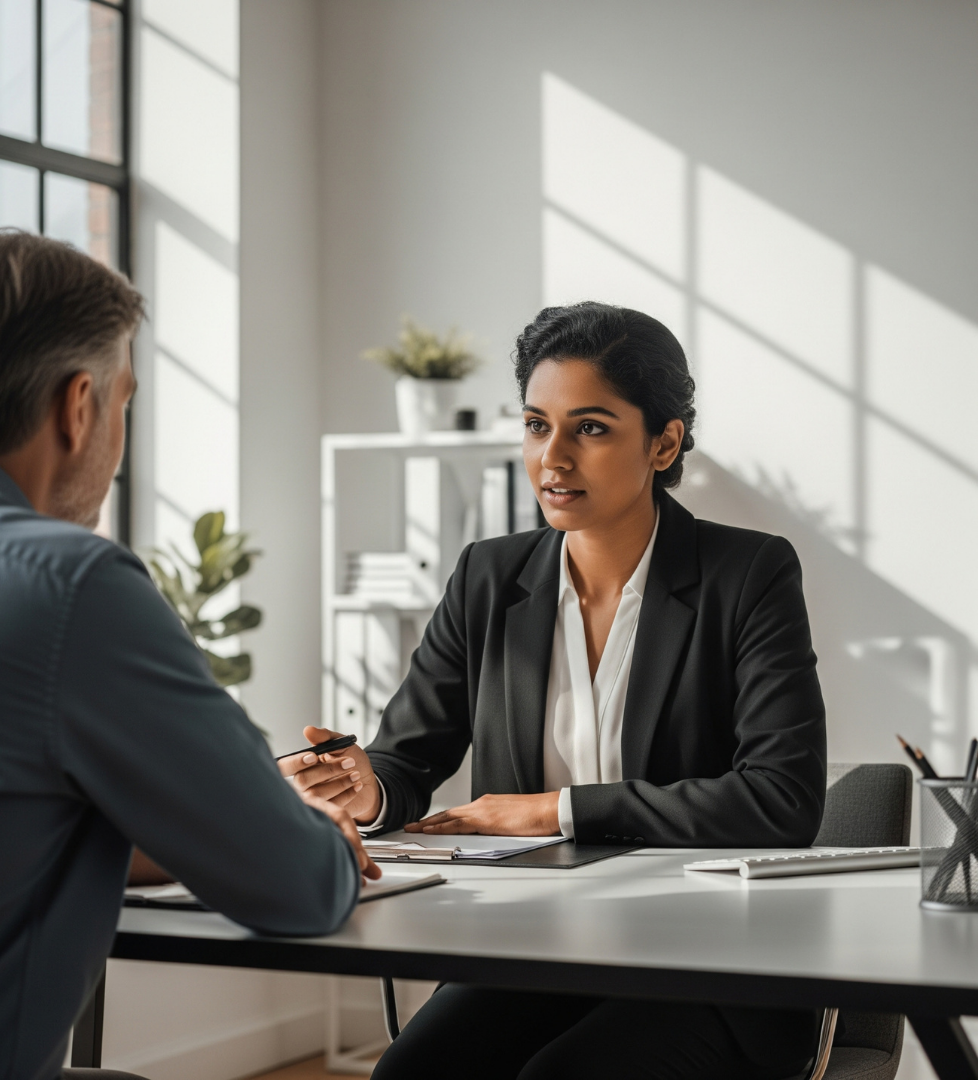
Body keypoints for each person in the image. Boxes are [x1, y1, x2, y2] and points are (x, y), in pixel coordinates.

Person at [280, 302, 827, 1080]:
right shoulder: (488, 576)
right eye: (538, 425)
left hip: (708, 967)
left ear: (664, 441)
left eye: (592, 428)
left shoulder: (749, 574)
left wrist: (555, 810)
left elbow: (782, 801)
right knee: (408, 1076)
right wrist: (364, 786)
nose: (553, 459)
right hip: (534, 953)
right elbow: (406, 761)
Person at [0, 232, 378, 1080]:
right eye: (127, 402)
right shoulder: (62, 584)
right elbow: (296, 889)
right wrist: (323, 837)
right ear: (77, 407)